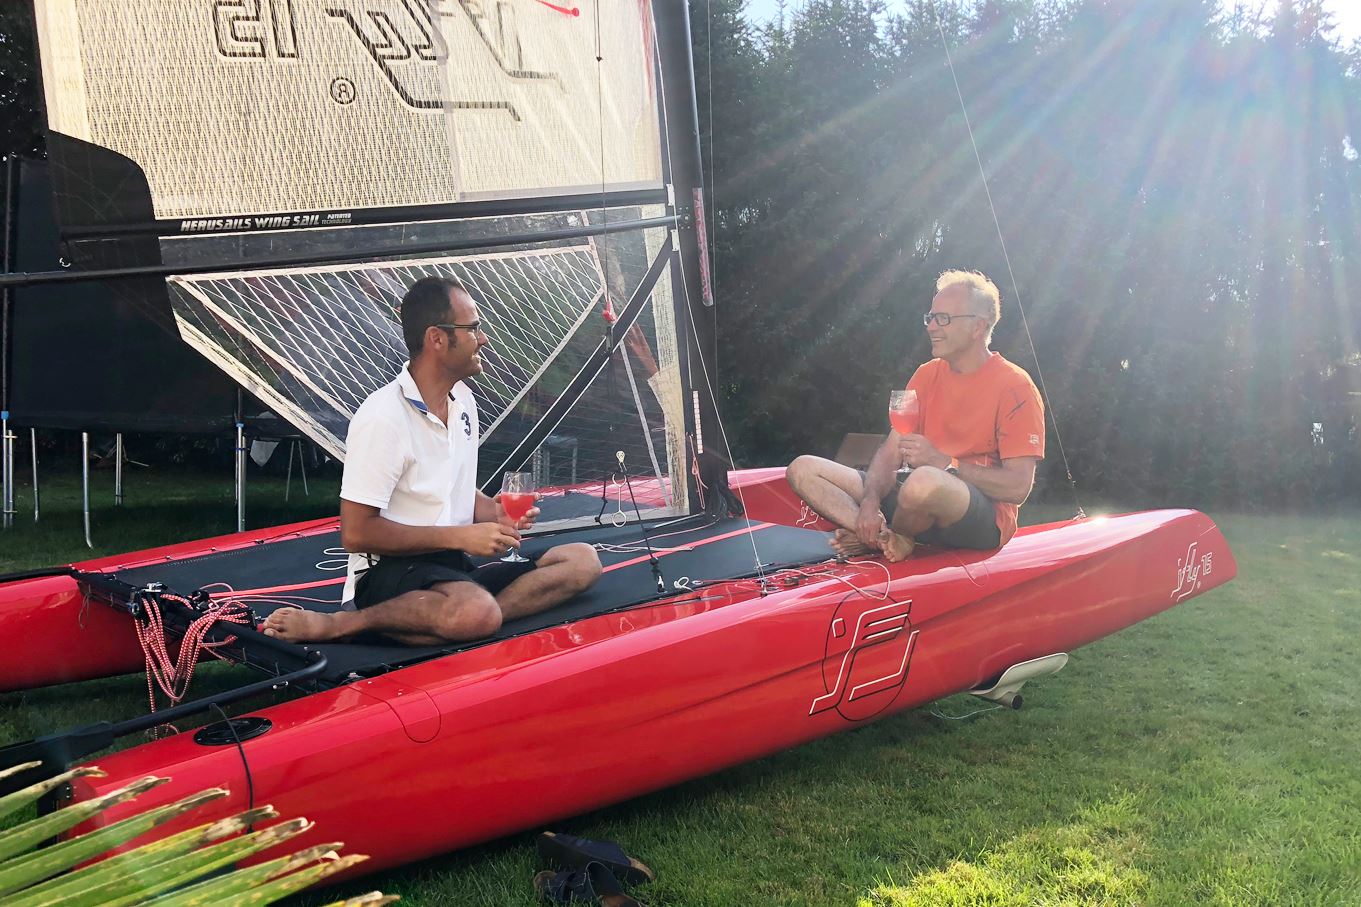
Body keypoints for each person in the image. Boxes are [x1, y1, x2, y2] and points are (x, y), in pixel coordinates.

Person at [262, 276, 601, 644]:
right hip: (388, 571)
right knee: (475, 610)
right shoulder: (383, 417)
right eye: (473, 329)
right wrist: (462, 536)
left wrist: (495, 512)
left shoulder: (463, 401)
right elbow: (356, 533)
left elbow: (451, 486)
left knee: (582, 561)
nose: (483, 339)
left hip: (451, 567)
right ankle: (343, 624)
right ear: (437, 338)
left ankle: (466, 617)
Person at [786, 270, 1045, 562]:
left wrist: (947, 464)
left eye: (943, 319)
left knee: (925, 481)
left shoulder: (1016, 386)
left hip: (978, 515)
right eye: (930, 318)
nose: (931, 327)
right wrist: (869, 503)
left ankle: (899, 535)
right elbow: (891, 452)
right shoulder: (925, 374)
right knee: (803, 469)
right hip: (912, 498)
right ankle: (879, 536)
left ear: (978, 327)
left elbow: (1018, 487)